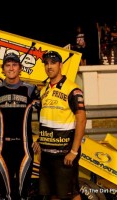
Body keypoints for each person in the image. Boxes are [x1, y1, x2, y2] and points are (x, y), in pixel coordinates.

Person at [0, 53, 41, 199]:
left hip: (24, 147)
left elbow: (46, 114)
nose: (11, 68)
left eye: (14, 65)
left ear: (20, 68)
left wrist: (41, 138)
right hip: (3, 148)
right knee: (7, 193)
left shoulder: (30, 89)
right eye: (7, 65)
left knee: (23, 192)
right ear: (3, 69)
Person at [37, 51, 87, 200]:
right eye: (46, 63)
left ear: (61, 65)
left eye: (53, 63)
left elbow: (82, 119)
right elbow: (45, 120)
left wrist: (73, 151)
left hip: (64, 153)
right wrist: (40, 144)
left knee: (71, 194)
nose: (49, 66)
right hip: (47, 154)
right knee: (53, 194)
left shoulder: (72, 89)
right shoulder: (44, 91)